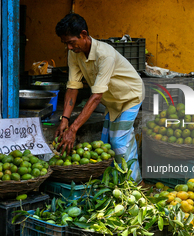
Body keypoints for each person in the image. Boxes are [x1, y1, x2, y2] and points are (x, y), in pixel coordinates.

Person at [55, 13, 144, 184]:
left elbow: (95, 97)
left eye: (71, 42)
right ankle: (113, 183)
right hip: (111, 100)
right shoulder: (75, 53)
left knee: (119, 142)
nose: (69, 47)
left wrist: (73, 130)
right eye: (65, 43)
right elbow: (73, 86)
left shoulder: (105, 55)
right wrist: (64, 120)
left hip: (129, 96)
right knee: (106, 143)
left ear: (83, 34)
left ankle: (137, 185)